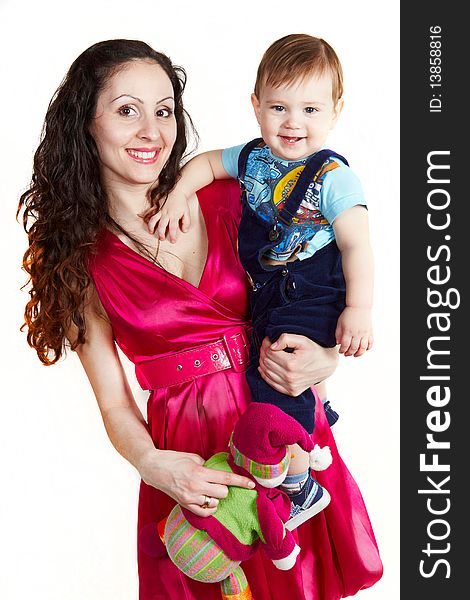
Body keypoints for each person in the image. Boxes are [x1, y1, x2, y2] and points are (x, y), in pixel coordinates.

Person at [18, 39, 382, 599]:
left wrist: (326, 358)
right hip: (190, 468)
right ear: (85, 123)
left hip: (279, 442)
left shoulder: (234, 195)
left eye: (163, 110)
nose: (151, 131)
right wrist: (155, 465)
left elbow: (312, 285)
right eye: (126, 110)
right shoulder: (76, 259)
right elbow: (114, 403)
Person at [148, 33, 374, 529]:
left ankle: (299, 484)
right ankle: (316, 424)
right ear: (256, 106)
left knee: (272, 368)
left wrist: (358, 310)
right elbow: (206, 164)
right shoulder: (252, 158)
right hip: (271, 285)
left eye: (311, 110)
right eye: (279, 107)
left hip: (315, 284)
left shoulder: (333, 177)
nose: (294, 123)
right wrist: (179, 197)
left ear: (336, 110)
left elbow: (357, 244)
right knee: (267, 354)